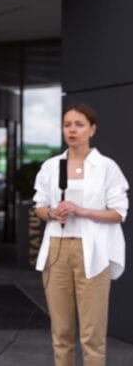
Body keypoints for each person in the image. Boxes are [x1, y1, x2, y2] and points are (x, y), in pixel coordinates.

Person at [33, 103, 129, 366]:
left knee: (92, 334)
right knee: (61, 332)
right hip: (57, 249)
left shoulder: (107, 167)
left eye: (79, 124)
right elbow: (39, 206)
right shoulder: (52, 166)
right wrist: (53, 213)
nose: (72, 130)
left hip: (93, 252)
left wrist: (81, 210)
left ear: (92, 129)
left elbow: (119, 213)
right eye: (67, 125)